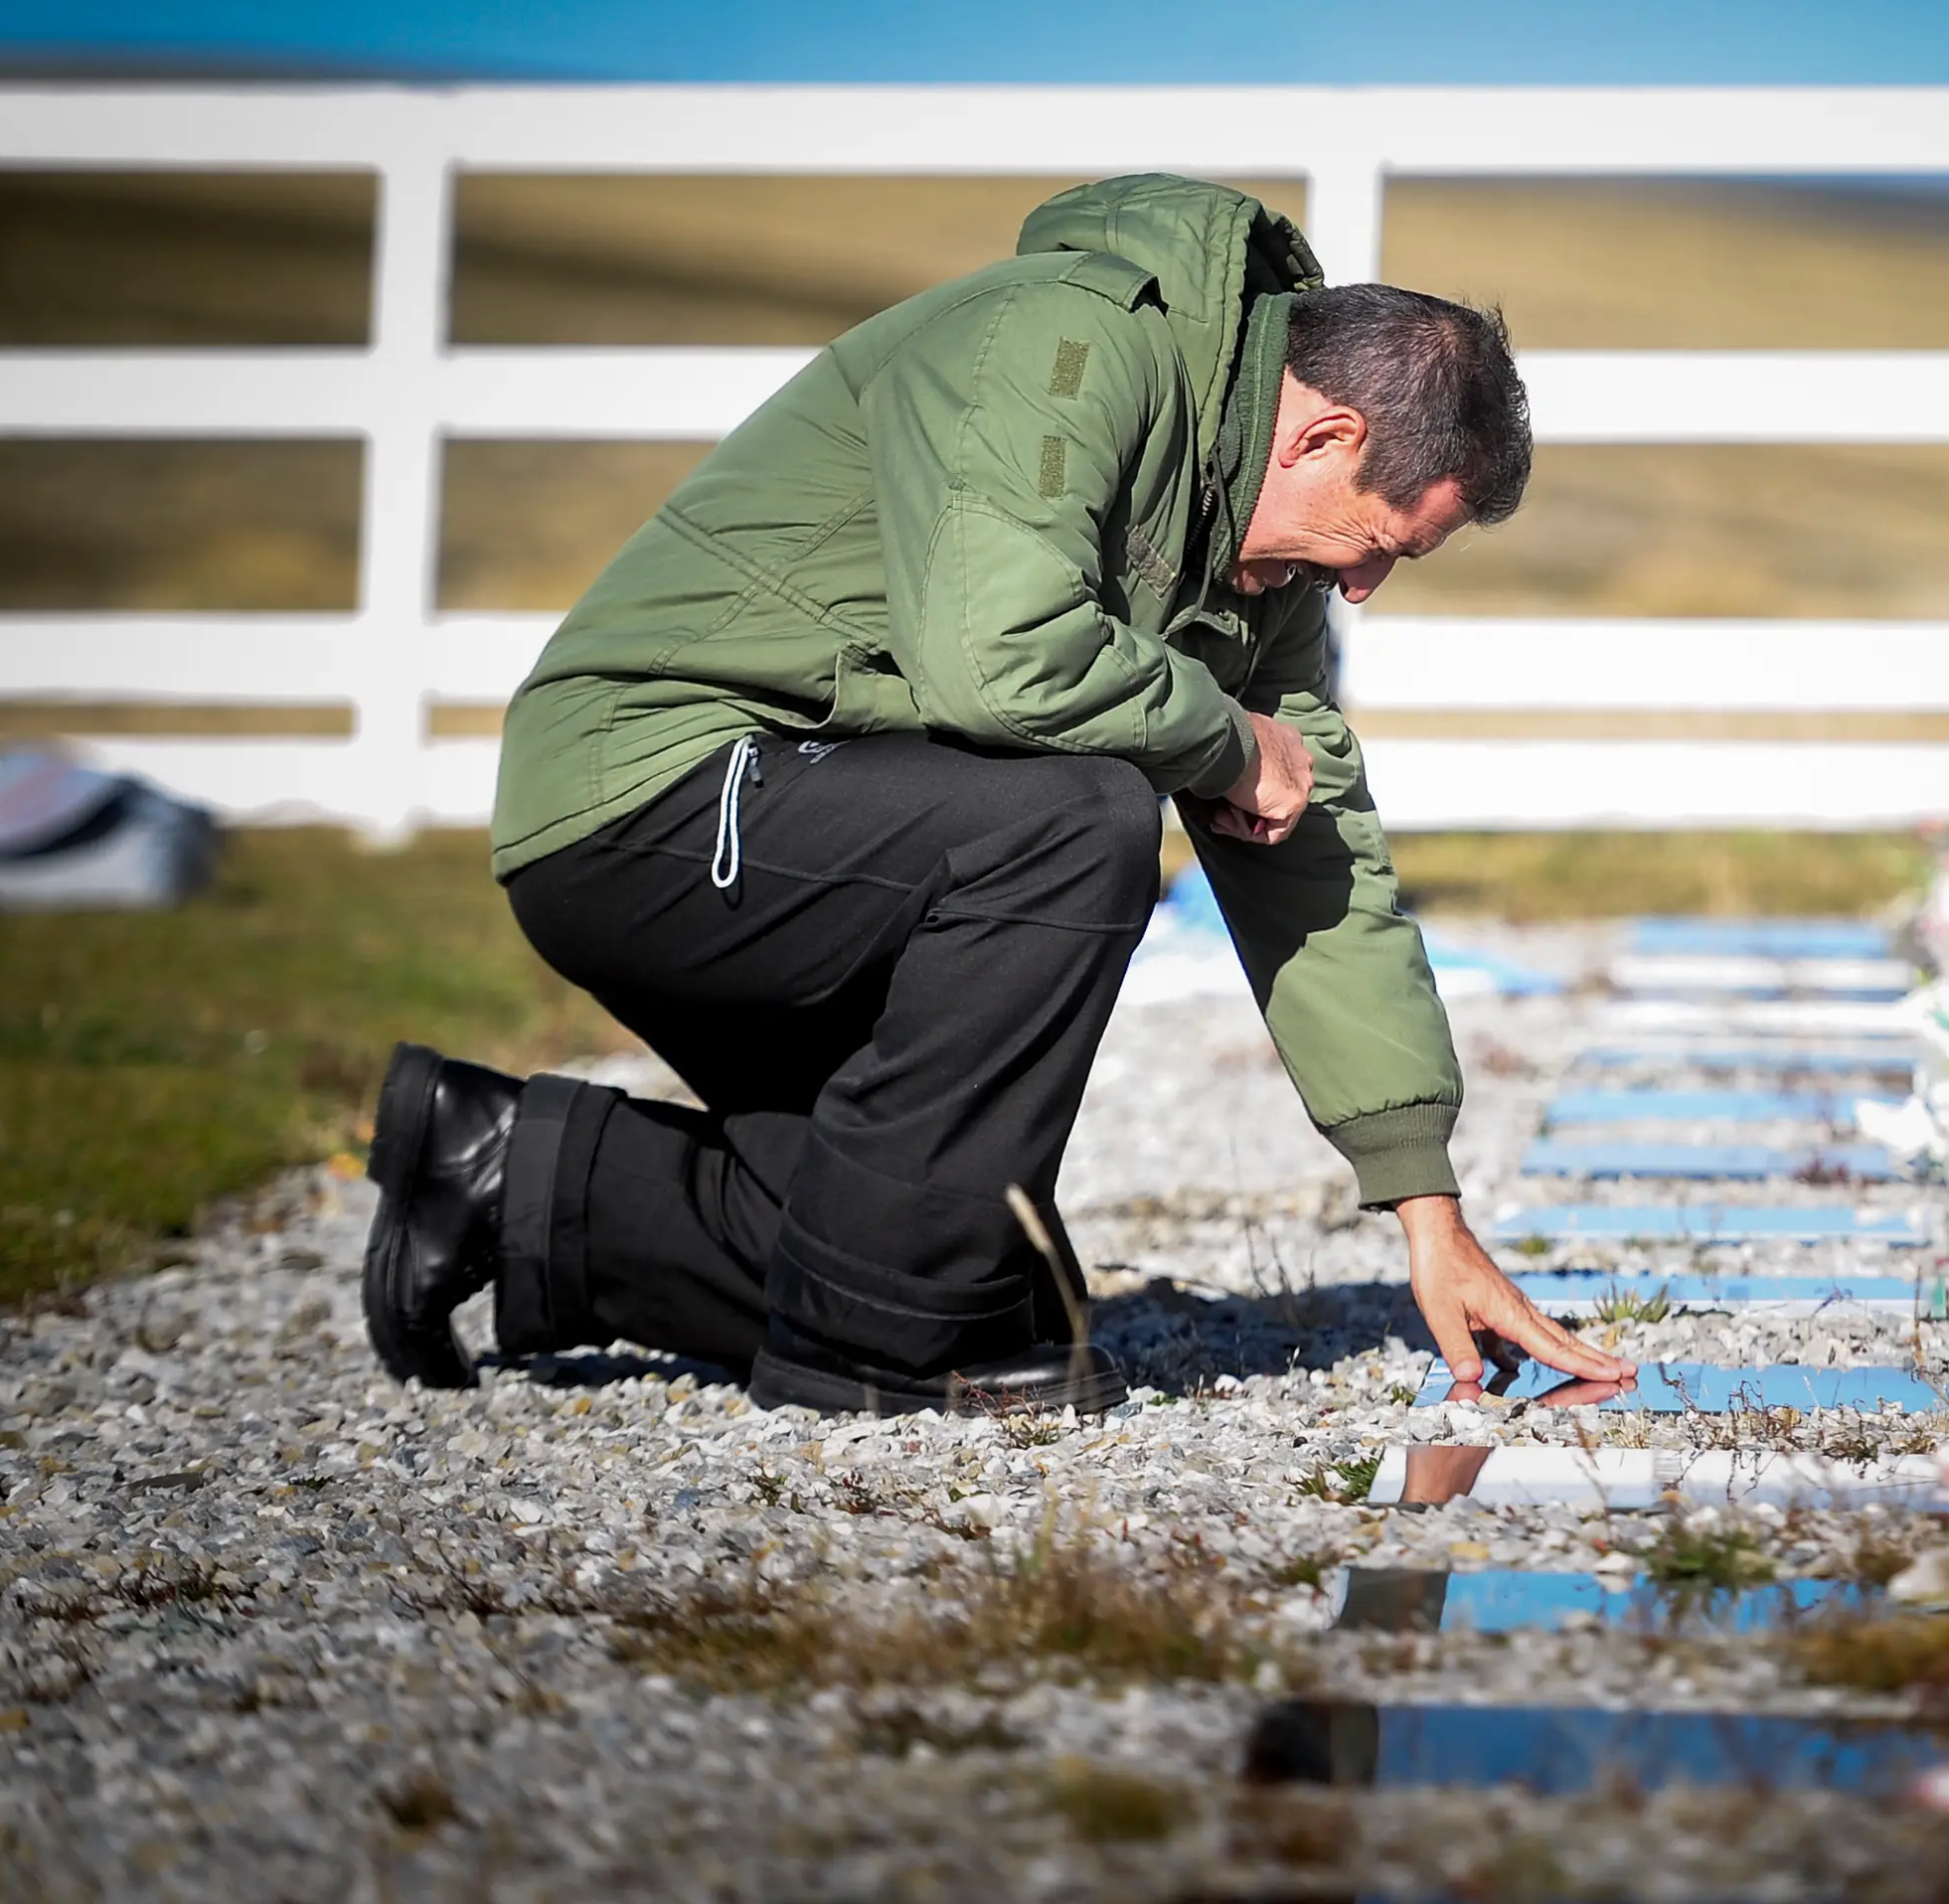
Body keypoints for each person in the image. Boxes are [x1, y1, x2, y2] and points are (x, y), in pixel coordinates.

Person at [357, 173, 1636, 1417]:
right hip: (651, 795)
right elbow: (1002, 654)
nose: (1361, 591)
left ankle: (504, 1167)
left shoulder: (1261, 563)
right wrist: (1222, 741)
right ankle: (864, 1356)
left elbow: (1311, 844)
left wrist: (1427, 1207)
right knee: (1074, 822)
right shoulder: (1062, 341)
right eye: (1380, 546)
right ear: (1324, 437)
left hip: (832, 834)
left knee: (993, 1294)